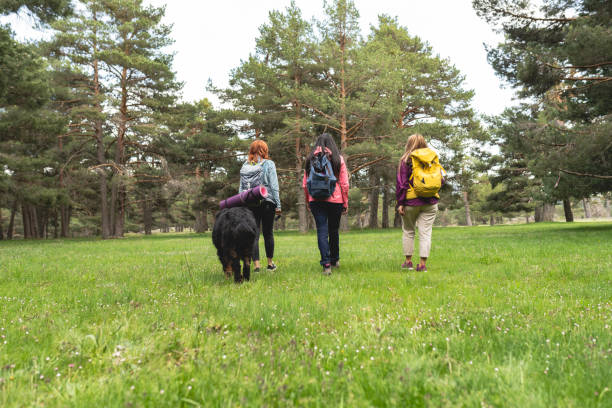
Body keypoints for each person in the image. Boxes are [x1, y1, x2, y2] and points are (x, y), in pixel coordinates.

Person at [302, 133, 349, 275]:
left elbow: (305, 184)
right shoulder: (337, 159)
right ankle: (335, 260)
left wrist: (308, 201)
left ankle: (326, 264)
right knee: (333, 230)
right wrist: (345, 202)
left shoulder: (310, 159)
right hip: (336, 199)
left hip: (316, 199)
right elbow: (344, 184)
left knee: (321, 230)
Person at [396, 133, 443, 272]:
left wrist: (401, 202)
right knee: (425, 233)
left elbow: (402, 184)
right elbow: (441, 179)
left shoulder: (405, 160)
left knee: (408, 231)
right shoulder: (433, 157)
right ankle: (422, 265)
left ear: (408, 144)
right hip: (430, 201)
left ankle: (408, 262)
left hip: (410, 201)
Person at [239, 140, 281, 272]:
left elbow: (241, 187)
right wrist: (278, 204)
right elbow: (274, 186)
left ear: (251, 150)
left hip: (251, 202)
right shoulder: (269, 164)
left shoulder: (245, 165)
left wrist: (241, 202)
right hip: (267, 201)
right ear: (265, 150)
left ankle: (257, 266)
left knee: (254, 234)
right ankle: (269, 264)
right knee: (268, 233)